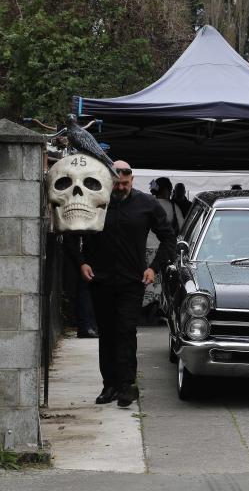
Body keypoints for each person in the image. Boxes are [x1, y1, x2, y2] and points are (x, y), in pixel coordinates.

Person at [78, 161, 176, 407]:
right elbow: (71, 233)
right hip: (100, 278)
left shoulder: (147, 204)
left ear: (132, 180)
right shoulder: (95, 200)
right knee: (107, 333)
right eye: (116, 183)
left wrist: (153, 268)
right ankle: (109, 385)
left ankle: (126, 385)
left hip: (132, 280)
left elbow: (168, 238)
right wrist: (81, 262)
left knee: (125, 331)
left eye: (125, 183)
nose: (120, 188)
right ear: (109, 181)